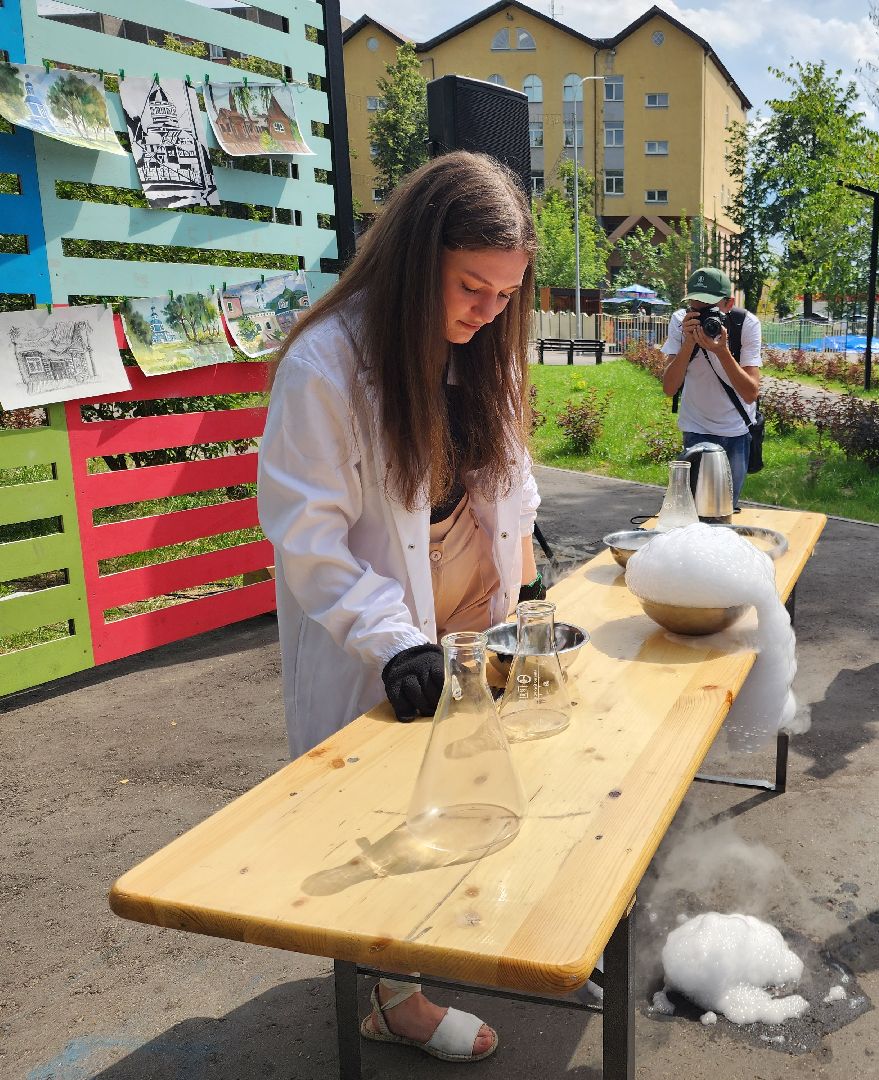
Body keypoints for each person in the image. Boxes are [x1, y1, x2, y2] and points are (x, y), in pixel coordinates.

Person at [257, 151, 544, 1064]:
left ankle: (442, 943)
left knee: (464, 783)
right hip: (381, 621)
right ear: (419, 258)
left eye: (505, 296)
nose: (487, 312)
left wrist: (527, 572)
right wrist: (393, 642)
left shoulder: (481, 347)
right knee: (378, 809)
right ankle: (391, 999)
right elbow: (308, 537)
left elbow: (511, 477)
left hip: (467, 600)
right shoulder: (326, 363)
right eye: (471, 288)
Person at [660, 266, 762, 509]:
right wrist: (688, 344)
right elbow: (669, 387)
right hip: (696, 428)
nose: (702, 315)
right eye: (696, 308)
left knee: (725, 510)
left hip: (736, 431)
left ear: (728, 303)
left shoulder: (746, 324)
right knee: (693, 512)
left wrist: (722, 351)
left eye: (710, 308)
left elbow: (750, 393)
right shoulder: (680, 321)